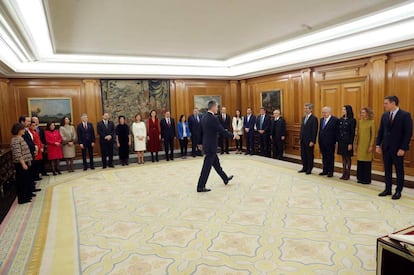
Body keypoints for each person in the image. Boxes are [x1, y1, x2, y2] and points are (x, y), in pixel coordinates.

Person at [196, 100, 239, 192]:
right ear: (213, 107)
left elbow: (199, 131)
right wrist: (233, 136)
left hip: (208, 145)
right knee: (206, 168)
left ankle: (225, 178)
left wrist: (199, 143)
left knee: (216, 164)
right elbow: (222, 130)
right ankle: (200, 186)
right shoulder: (213, 118)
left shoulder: (203, 117)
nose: (217, 109)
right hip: (211, 146)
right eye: (217, 107)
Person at [376, 95, 413, 200]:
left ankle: (398, 191)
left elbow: (408, 133)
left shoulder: (405, 115)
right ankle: (388, 189)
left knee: (399, 170)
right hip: (386, 148)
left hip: (398, 149)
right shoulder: (385, 115)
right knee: (387, 170)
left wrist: (403, 148)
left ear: (393, 103)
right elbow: (381, 131)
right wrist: (378, 145)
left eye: (386, 103)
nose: (384, 105)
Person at [10, 123, 33, 204]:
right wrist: (23, 163)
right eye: (23, 129)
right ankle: (22, 199)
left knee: (26, 180)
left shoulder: (20, 138)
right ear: (18, 130)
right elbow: (17, 153)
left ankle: (26, 196)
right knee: (22, 181)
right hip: (20, 164)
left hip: (26, 162)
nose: (24, 130)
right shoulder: (15, 140)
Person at [19, 115, 40, 193]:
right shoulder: (21, 131)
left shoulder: (26, 130)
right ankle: (29, 190)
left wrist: (35, 147)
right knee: (27, 174)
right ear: (22, 122)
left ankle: (32, 188)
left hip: (31, 154)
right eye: (27, 121)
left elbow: (31, 141)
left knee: (31, 173)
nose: (29, 122)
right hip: (26, 156)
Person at [356, 107, 375, 184]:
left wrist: (371, 145)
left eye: (363, 112)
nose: (362, 114)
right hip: (360, 145)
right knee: (360, 162)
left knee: (366, 163)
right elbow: (358, 134)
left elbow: (373, 135)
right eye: (361, 112)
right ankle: (360, 178)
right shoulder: (360, 122)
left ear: (367, 113)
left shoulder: (371, 122)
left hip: (367, 145)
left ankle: (366, 179)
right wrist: (356, 144)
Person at [337, 105, 356, 180]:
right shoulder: (341, 119)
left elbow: (352, 133)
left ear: (348, 110)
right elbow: (339, 131)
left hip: (347, 141)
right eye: (342, 109)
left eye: (344, 109)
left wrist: (350, 143)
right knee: (343, 157)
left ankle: (348, 173)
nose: (343, 111)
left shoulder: (352, 120)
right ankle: (344, 172)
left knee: (348, 157)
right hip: (341, 141)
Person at [318, 106, 338, 178]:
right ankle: (325, 170)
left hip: (330, 142)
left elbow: (336, 132)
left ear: (329, 112)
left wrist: (336, 142)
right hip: (322, 142)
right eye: (322, 112)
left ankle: (330, 171)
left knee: (330, 157)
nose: (323, 114)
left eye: (325, 112)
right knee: (324, 157)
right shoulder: (321, 120)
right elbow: (320, 131)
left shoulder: (335, 120)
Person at [298, 103, 318, 174]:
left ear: (311, 109)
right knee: (303, 154)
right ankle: (304, 167)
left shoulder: (314, 119)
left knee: (309, 155)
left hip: (309, 141)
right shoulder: (303, 118)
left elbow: (314, 131)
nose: (305, 110)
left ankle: (309, 168)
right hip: (303, 140)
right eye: (304, 108)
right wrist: (300, 139)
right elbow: (302, 129)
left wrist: (312, 141)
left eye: (306, 108)